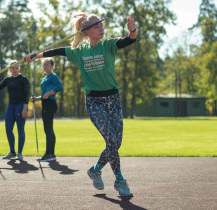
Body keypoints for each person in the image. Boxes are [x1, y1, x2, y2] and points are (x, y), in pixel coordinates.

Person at [24, 13, 137, 197]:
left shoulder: (108, 45)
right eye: (97, 26)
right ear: (87, 32)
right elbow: (58, 51)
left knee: (115, 143)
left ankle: (95, 170)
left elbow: (129, 41)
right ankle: (120, 180)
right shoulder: (79, 51)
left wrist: (132, 30)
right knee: (111, 140)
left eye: (102, 25)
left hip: (113, 100)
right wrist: (35, 56)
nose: (101, 28)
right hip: (94, 102)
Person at [0, 60, 30, 160]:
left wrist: (25, 108)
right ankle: (12, 152)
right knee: (8, 129)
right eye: (12, 68)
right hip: (11, 106)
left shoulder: (23, 79)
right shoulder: (8, 80)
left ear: (19, 68)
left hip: (21, 105)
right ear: (9, 69)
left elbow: (27, 94)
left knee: (20, 129)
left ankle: (19, 153)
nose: (14, 70)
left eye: (16, 67)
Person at [31, 58, 63, 162]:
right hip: (45, 103)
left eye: (48, 65)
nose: (45, 67)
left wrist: (48, 94)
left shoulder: (53, 76)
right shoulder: (46, 78)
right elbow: (44, 94)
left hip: (50, 104)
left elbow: (59, 87)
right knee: (47, 130)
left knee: (48, 129)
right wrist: (37, 98)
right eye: (44, 65)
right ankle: (48, 153)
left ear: (52, 66)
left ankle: (50, 154)